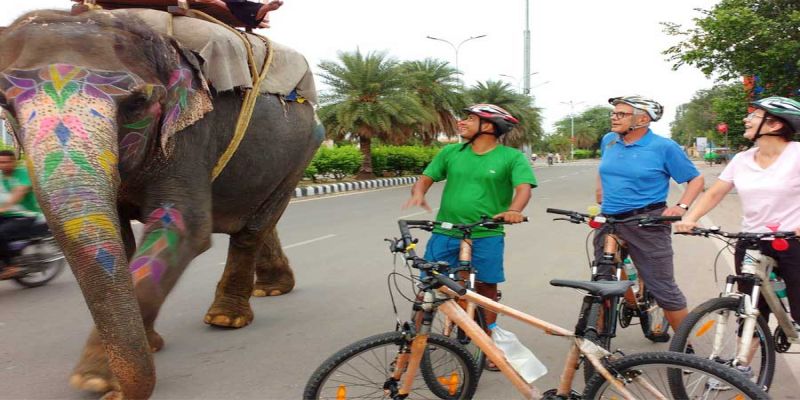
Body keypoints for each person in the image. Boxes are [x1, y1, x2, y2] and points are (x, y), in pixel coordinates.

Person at [403, 103, 536, 370]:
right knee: (428, 287)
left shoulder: (511, 157)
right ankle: (410, 347)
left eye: (470, 119)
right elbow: (427, 176)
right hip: (446, 230)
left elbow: (523, 188)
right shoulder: (451, 152)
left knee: (487, 288)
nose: (461, 122)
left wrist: (513, 210)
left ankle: (489, 344)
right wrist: (419, 192)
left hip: (487, 232)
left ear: (488, 126)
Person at [676, 96, 800, 339]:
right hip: (751, 242)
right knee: (751, 309)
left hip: (792, 241)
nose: (746, 119)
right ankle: (741, 367)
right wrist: (691, 218)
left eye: (754, 115)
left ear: (775, 125)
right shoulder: (742, 159)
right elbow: (714, 193)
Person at [595, 95, 705, 333]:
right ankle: (595, 343)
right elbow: (605, 168)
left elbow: (695, 179)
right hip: (610, 220)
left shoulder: (663, 147)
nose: (614, 117)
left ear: (643, 119)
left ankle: (685, 349)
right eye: (614, 112)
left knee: (662, 287)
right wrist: (600, 189)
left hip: (648, 221)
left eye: (621, 114)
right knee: (601, 282)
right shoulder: (609, 141)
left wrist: (682, 207)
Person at [0, 150, 42, 279]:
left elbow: (18, 193)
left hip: (27, 215)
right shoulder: (1, 176)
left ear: (14, 162)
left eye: (6, 162)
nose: (2, 165)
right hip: (8, 215)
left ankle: (11, 266)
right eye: (0, 162)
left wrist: (3, 209)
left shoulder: (23, 173)